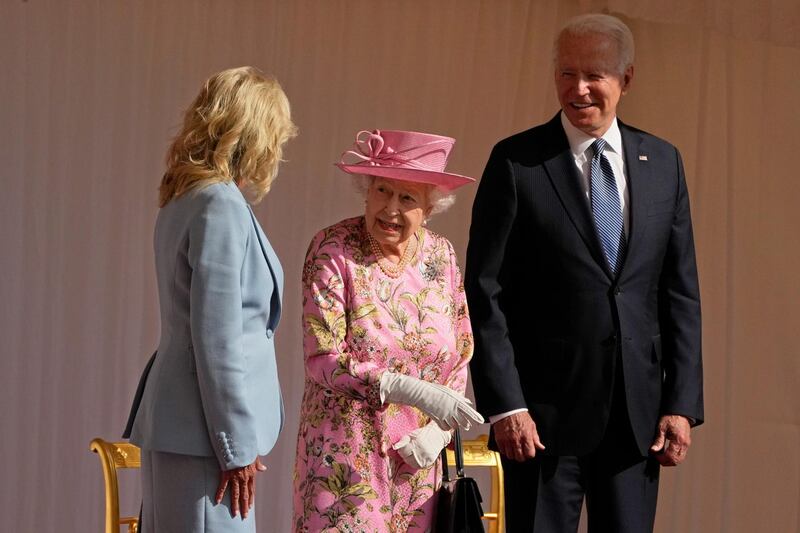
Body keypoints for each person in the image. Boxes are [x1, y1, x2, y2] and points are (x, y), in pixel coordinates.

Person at [465, 13, 704, 533]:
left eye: (595, 74)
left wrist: (680, 403)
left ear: (626, 78)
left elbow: (679, 292)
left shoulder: (663, 163)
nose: (579, 89)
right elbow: (485, 291)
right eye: (567, 73)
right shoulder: (517, 162)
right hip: (540, 424)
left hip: (636, 420)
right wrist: (506, 405)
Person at [123, 66, 297, 532]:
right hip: (205, 434)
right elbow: (217, 338)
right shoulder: (219, 204)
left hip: (184, 425)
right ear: (258, 134)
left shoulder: (184, 196)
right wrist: (236, 446)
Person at [292, 129, 483, 532]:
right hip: (346, 461)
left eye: (407, 198)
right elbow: (321, 358)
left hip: (418, 462)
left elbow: (460, 350)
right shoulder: (333, 249)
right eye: (382, 191)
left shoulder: (442, 255)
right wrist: (405, 388)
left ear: (430, 207)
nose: (390, 209)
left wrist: (438, 431)